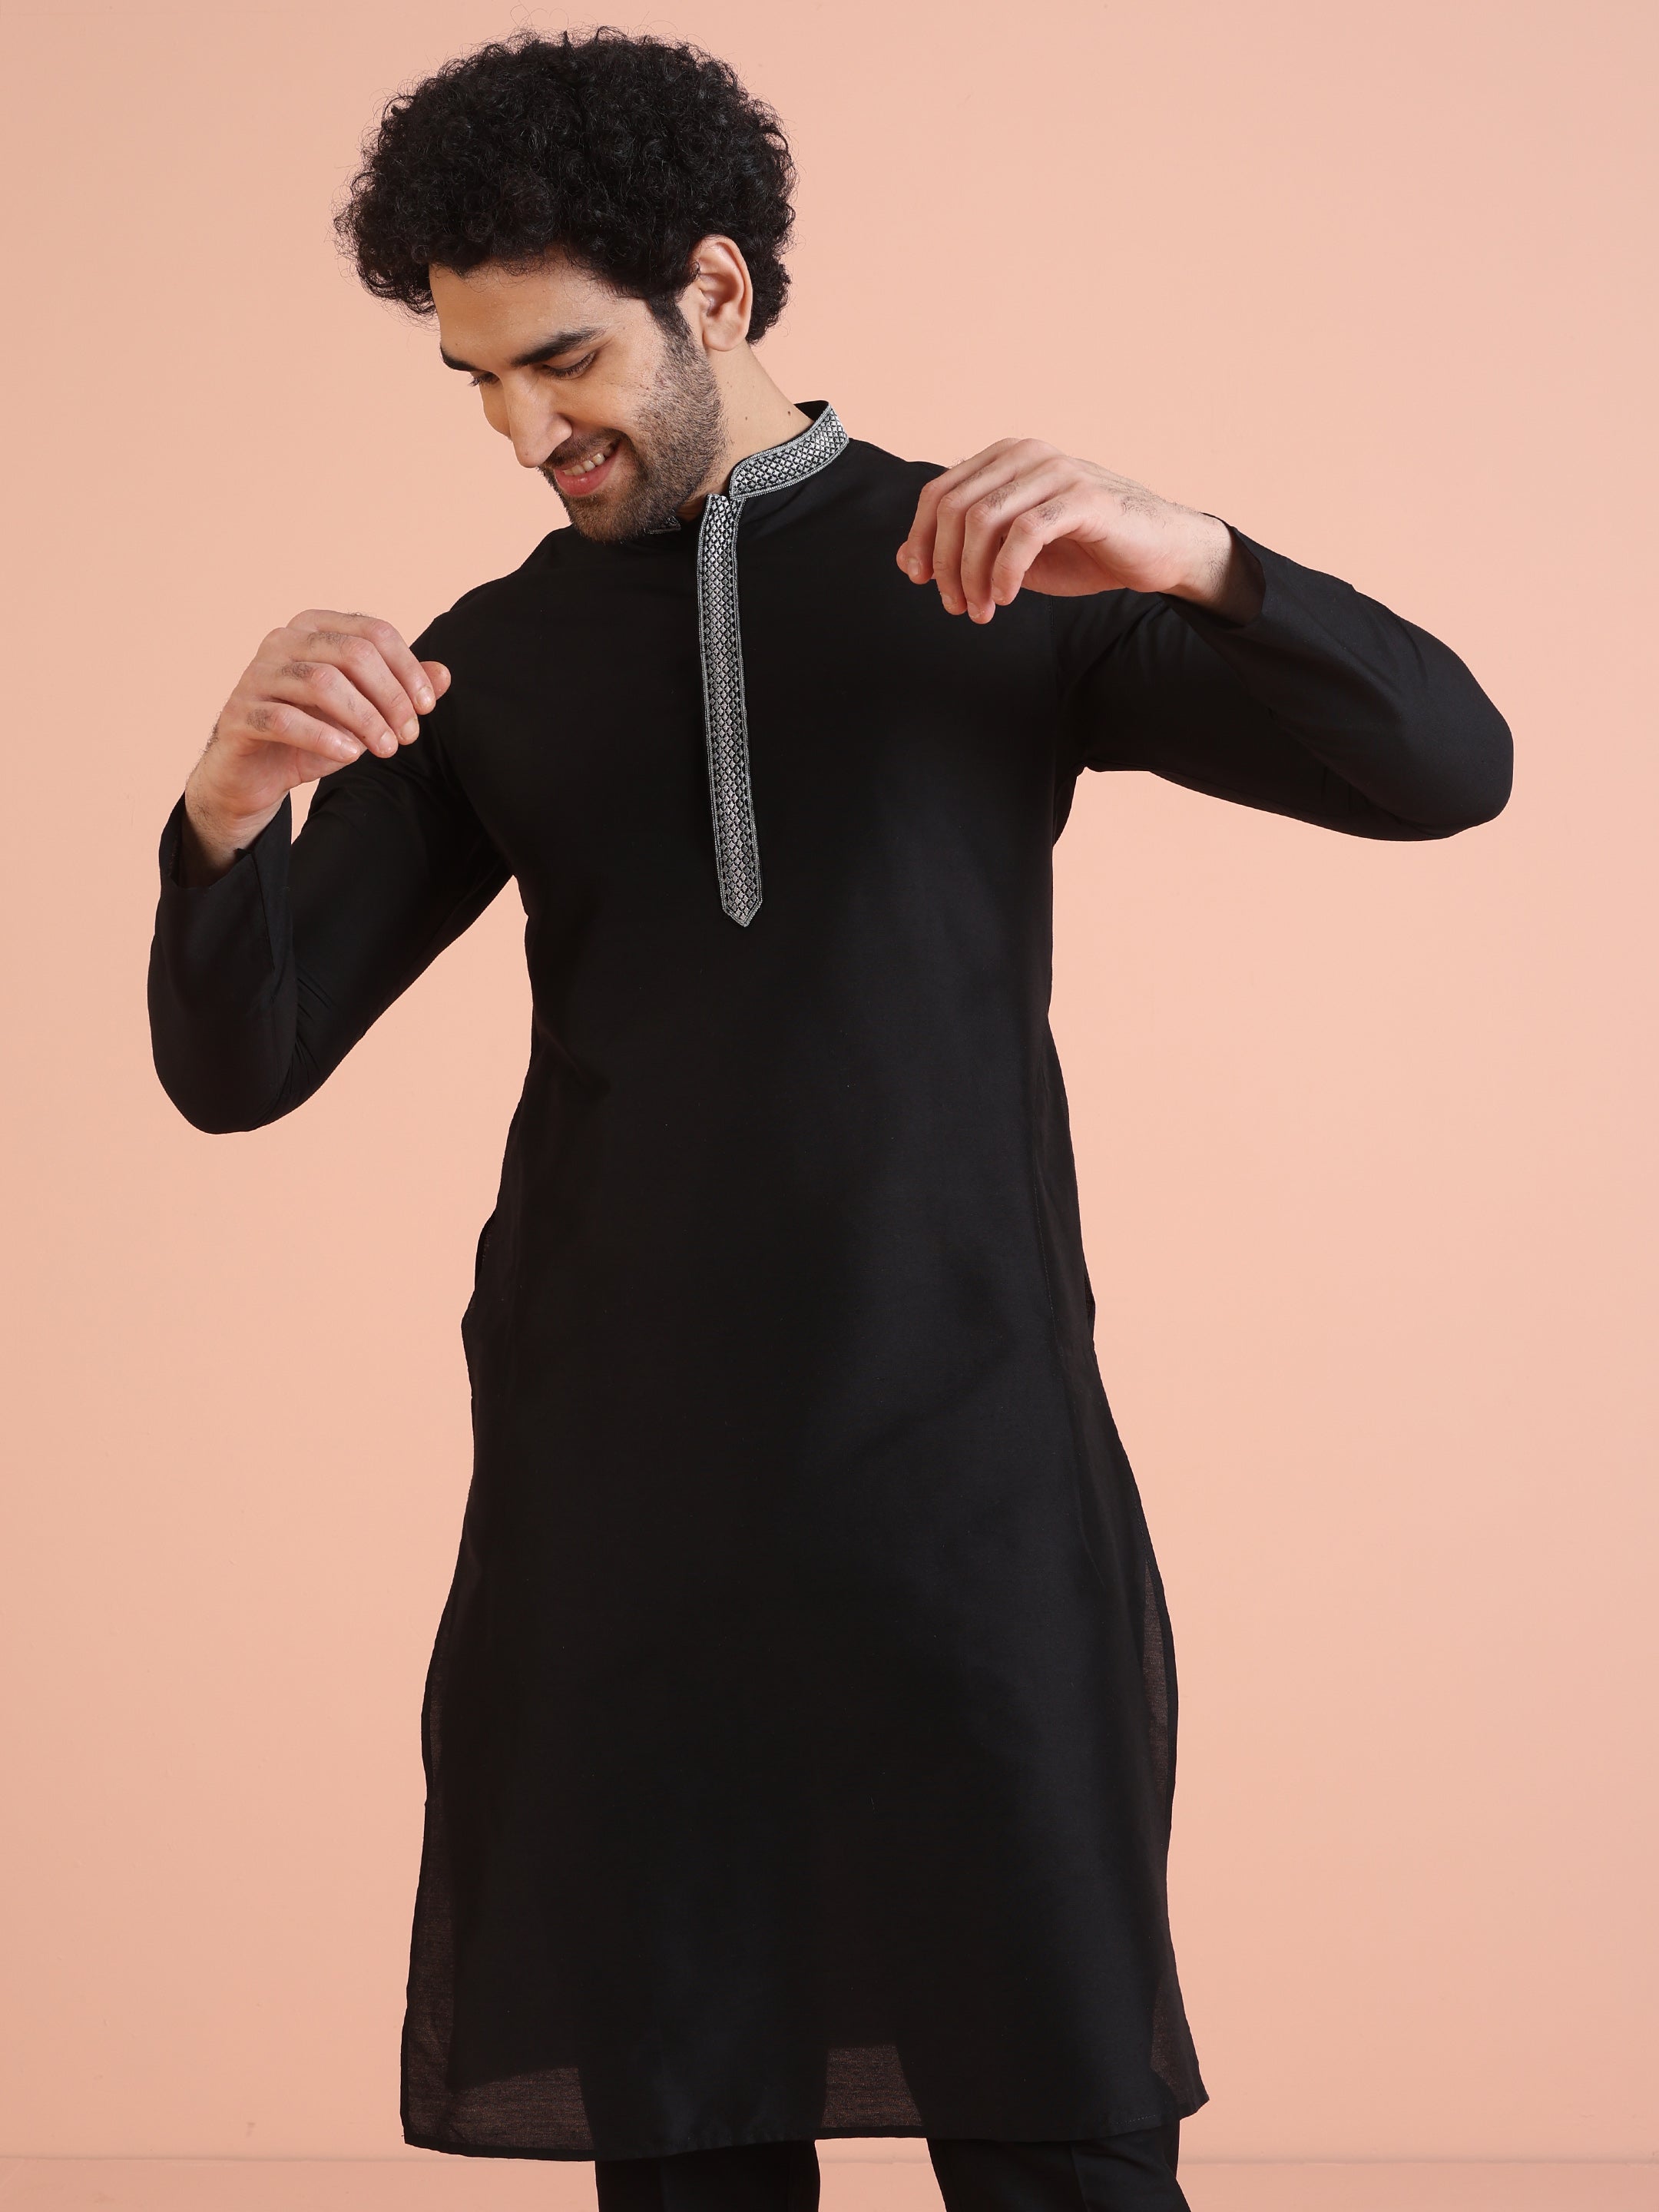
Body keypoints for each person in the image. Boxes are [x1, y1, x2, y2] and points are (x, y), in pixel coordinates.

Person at [146, 30, 1512, 2212]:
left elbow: (1445, 769)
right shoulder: (495, 660)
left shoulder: (1000, 574)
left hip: (961, 1475)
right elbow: (244, 1065)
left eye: (562, 360)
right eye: (475, 381)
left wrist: (1197, 558)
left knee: (1062, 2130)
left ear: (714, 287)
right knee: (684, 2139)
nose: (521, 431)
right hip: (617, 1499)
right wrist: (224, 822)